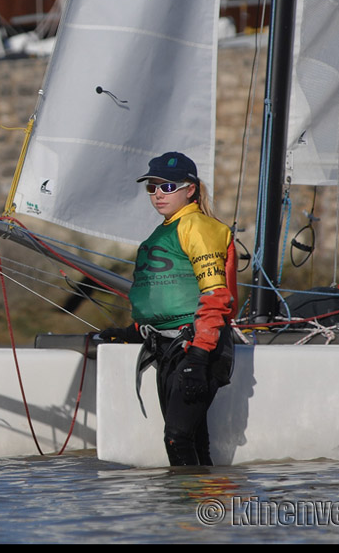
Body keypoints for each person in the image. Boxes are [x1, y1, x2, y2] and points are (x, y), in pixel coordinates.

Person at [96, 151, 237, 467]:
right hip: (168, 348)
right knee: (194, 439)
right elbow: (163, 296)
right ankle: (200, 509)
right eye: (152, 188)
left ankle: (186, 508)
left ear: (190, 189)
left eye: (167, 187)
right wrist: (131, 332)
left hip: (199, 345)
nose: (158, 194)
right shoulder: (162, 231)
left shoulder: (198, 227)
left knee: (177, 437)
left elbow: (216, 296)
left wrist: (199, 356)